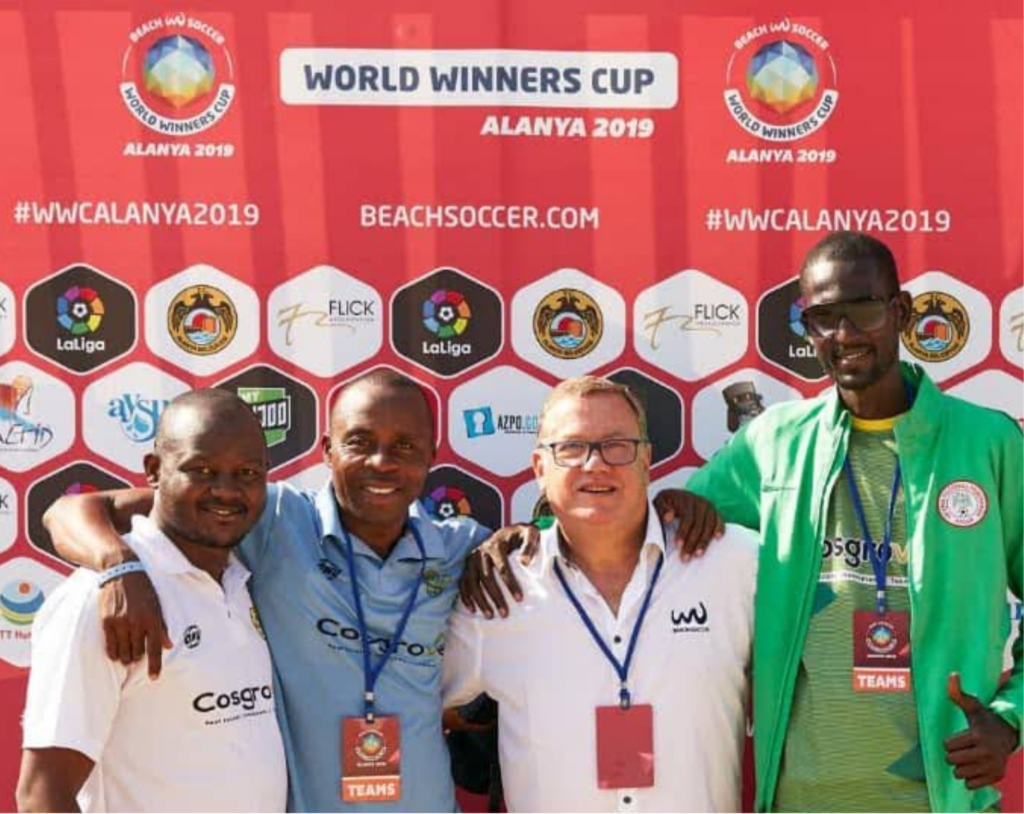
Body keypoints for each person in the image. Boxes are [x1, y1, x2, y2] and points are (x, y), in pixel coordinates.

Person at [42, 370, 489, 812]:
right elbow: (73, 510)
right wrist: (117, 567)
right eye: (359, 442)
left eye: (405, 446)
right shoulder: (272, 516)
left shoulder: (462, 547)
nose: (381, 461)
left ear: (431, 455)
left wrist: (517, 537)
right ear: (328, 451)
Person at [442, 376, 758, 811]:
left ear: (646, 460)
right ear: (539, 468)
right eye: (571, 447)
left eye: (617, 445)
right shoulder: (498, 591)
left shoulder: (734, 563)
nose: (595, 464)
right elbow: (407, 701)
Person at [17, 389, 287, 812]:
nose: (226, 491)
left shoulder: (242, 576)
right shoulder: (99, 600)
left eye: (247, 473)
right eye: (201, 469)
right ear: (154, 471)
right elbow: (41, 796)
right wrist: (120, 566)